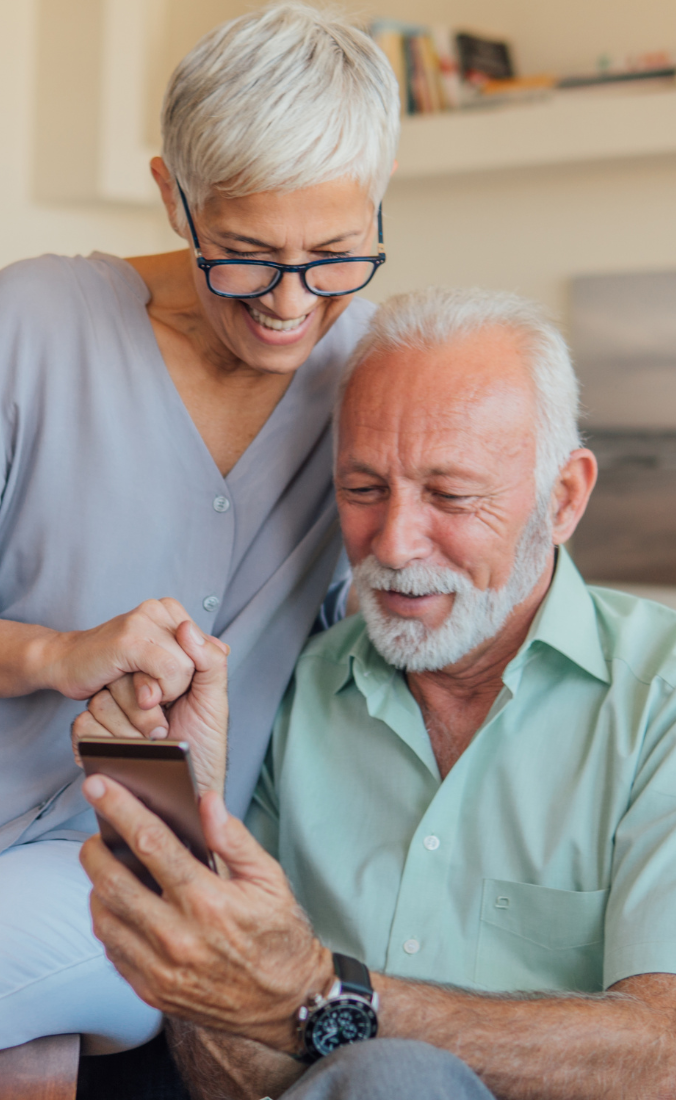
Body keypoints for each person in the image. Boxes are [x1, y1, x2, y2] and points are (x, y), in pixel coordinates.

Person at [0, 5, 400, 1095]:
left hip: (135, 866)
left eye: (334, 255)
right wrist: (55, 655)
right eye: (246, 258)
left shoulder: (371, 381)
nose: (291, 304)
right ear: (173, 196)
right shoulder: (24, 323)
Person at [81, 287, 676, 1100]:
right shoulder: (293, 686)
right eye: (363, 489)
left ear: (564, 498)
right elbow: (230, 1061)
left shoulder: (661, 698)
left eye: (450, 496)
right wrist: (193, 809)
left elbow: (664, 1053)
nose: (393, 545)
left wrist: (323, 997)